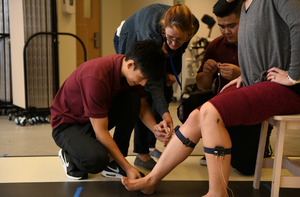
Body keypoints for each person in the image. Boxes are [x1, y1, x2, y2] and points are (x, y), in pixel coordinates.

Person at [121, 0, 300, 196]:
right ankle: (151, 179)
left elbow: (298, 23)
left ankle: (217, 193)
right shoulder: (246, 7)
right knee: (197, 115)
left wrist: (293, 75)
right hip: (257, 83)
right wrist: (245, 74)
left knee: (210, 112)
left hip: (287, 89)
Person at [50, 40, 172, 180]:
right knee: (96, 161)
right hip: (67, 124)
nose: (143, 83)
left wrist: (155, 129)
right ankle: (70, 156)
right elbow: (100, 131)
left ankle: (113, 163)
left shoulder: (131, 74)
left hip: (92, 119)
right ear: (131, 64)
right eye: (142, 78)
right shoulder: (96, 77)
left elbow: (143, 107)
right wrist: (128, 167)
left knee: (133, 100)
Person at [181, 0, 271, 175]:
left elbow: (271, 86)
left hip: (251, 111)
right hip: (222, 110)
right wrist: (206, 74)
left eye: (231, 26)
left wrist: (241, 75)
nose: (226, 31)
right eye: (221, 26)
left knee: (245, 168)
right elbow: (203, 86)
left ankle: (253, 144)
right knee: (191, 103)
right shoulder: (216, 45)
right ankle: (214, 142)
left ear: (245, 20)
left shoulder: (260, 44)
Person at [114, 3, 199, 170]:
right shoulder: (150, 34)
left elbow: (176, 51)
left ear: (189, 31)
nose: (174, 43)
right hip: (129, 34)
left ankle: (151, 145)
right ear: (163, 29)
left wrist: (172, 73)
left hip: (160, 39)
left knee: (166, 88)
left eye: (179, 39)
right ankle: (142, 154)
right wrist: (165, 112)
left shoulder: (194, 25)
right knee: (140, 92)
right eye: (170, 38)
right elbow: (151, 83)